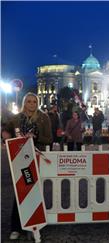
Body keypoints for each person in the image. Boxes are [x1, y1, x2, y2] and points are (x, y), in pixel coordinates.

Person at [2, 92, 52, 240]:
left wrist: (35, 137)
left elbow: (49, 138)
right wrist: (5, 135)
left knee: (36, 193)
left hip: (37, 158)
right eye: (29, 101)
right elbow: (6, 131)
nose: (32, 104)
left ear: (37, 104)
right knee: (20, 193)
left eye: (34, 102)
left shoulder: (44, 118)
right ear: (24, 103)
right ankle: (16, 227)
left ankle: (35, 226)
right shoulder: (16, 119)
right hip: (20, 160)